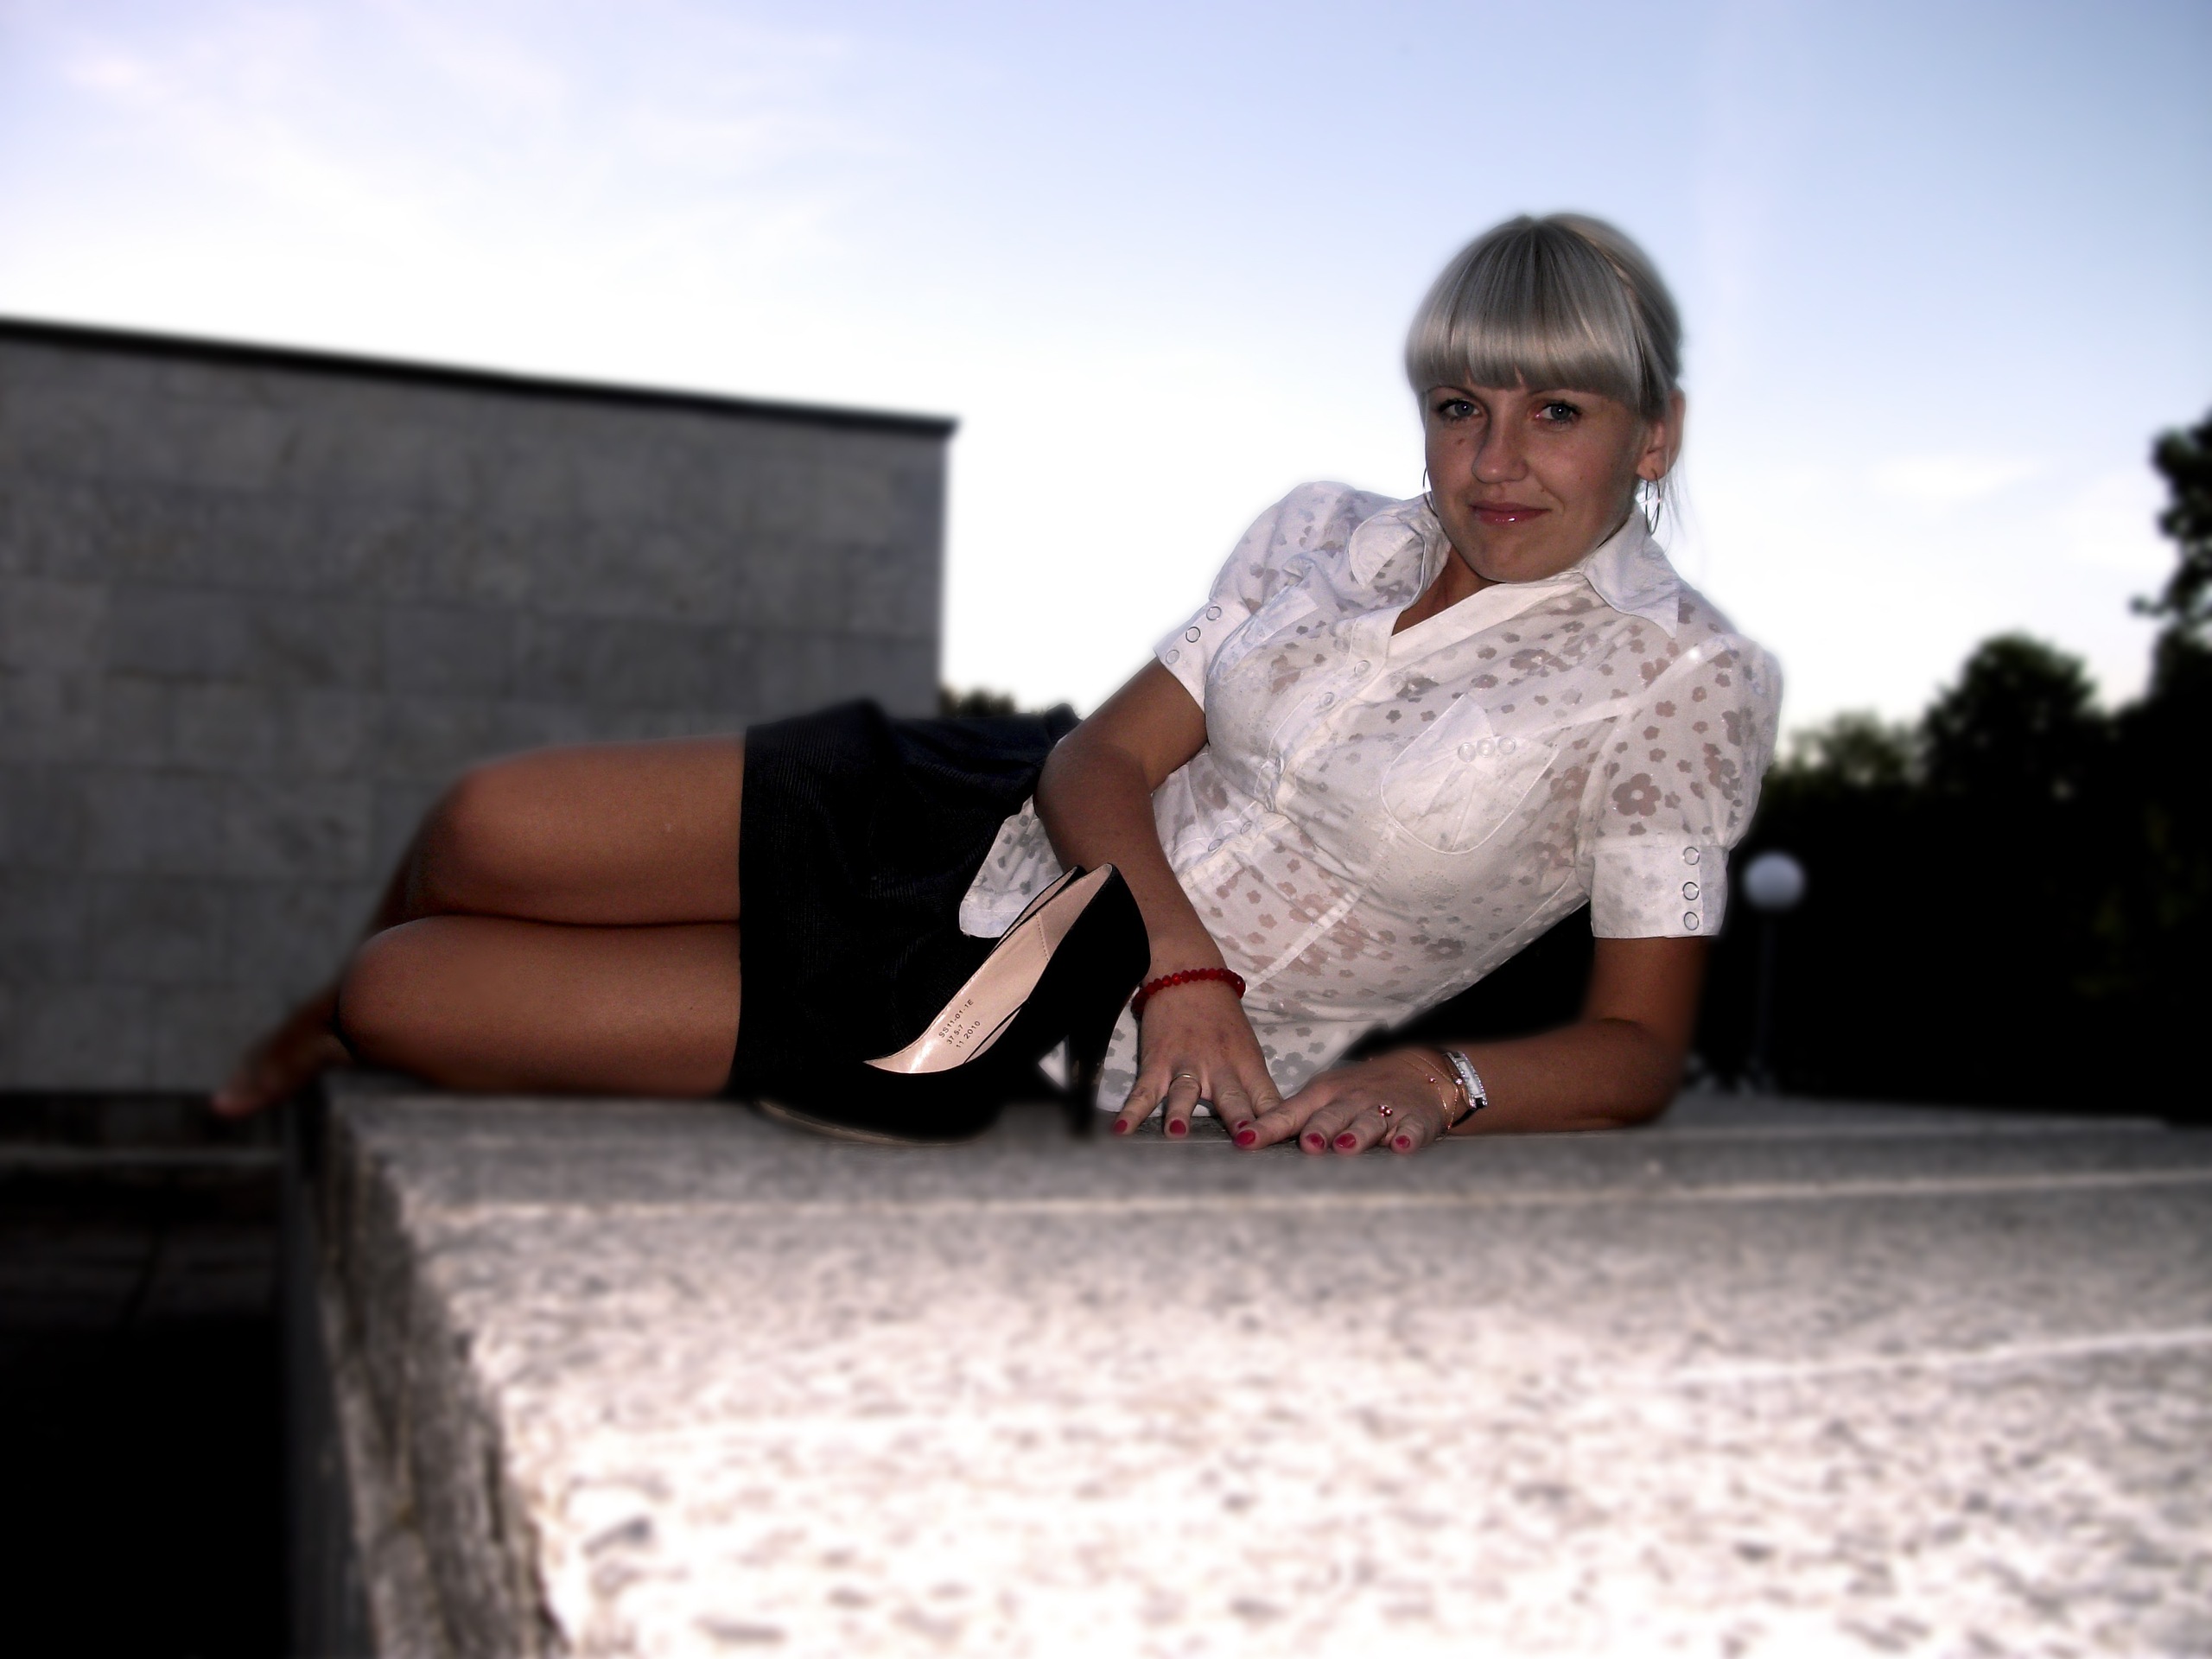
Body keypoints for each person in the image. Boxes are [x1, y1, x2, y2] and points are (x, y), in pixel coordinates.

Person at [217, 212, 1780, 1153]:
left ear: (1656, 433)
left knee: (405, 991)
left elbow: (1639, 1049)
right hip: (991, 814)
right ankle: (313, 1021)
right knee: (486, 824)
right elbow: (1102, 756)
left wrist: (1447, 1082)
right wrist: (1183, 954)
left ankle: (341, 1022)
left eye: (1558, 412)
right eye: (1458, 405)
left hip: (1039, 1006)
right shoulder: (1329, 532)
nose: (1494, 462)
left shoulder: (1687, 682)